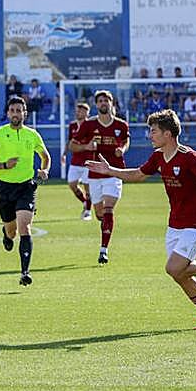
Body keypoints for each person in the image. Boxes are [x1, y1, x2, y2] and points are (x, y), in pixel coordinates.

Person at [87, 109, 196, 329]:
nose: (150, 135)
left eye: (154, 131)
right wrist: (110, 170)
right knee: (179, 273)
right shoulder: (159, 156)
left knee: (173, 268)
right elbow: (138, 175)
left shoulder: (189, 156)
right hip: (175, 224)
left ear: (168, 134)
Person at [0, 96, 50, 286]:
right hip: (4, 188)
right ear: (7, 113)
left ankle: (25, 272)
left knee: (24, 227)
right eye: (12, 110)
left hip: (26, 187)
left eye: (19, 110)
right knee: (12, 231)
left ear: (25, 113)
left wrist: (45, 170)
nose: (15, 114)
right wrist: (4, 165)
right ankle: (6, 233)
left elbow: (45, 156)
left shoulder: (32, 135)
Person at [70, 90, 130, 264]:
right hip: (95, 175)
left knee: (108, 208)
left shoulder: (121, 125)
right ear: (96, 105)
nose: (104, 103)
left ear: (112, 103)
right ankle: (106, 226)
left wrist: (122, 149)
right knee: (99, 214)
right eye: (100, 101)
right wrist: (86, 147)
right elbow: (72, 145)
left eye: (106, 100)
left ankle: (103, 250)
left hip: (114, 172)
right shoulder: (88, 125)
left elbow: (126, 141)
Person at [65, 101, 93, 220]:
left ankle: (88, 211)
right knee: (72, 184)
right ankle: (85, 202)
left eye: (81, 110)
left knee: (87, 186)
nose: (78, 113)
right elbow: (70, 141)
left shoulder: (91, 125)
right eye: (77, 110)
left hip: (87, 161)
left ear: (87, 112)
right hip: (75, 160)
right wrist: (64, 154)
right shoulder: (72, 125)